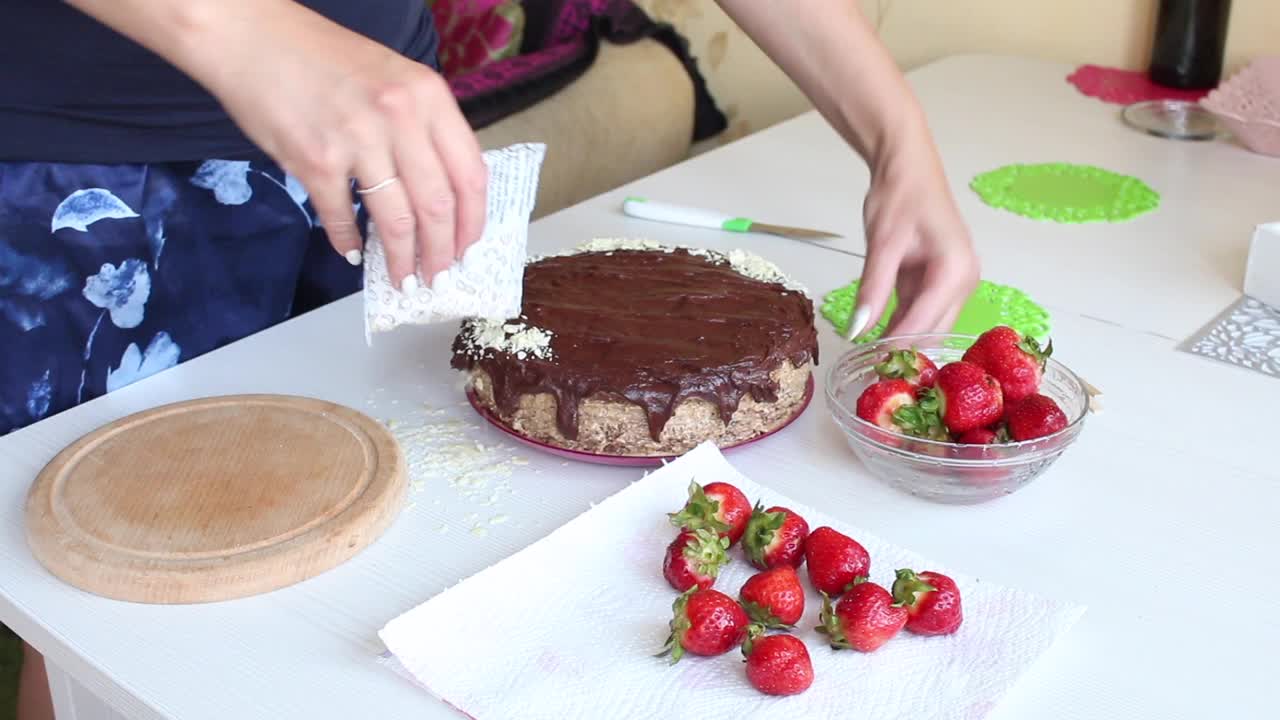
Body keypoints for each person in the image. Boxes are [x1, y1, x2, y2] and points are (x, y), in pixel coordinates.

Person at [3, 1, 976, 717]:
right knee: (106, 596)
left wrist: (897, 136)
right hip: (87, 161)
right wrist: (247, 33)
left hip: (379, 142)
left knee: (339, 584)